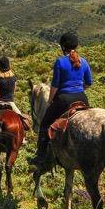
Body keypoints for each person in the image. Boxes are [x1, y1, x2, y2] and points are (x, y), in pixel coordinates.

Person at [28, 31, 93, 168]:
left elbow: (55, 85)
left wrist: (51, 100)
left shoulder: (60, 62)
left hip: (63, 99)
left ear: (63, 47)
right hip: (82, 98)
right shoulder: (84, 62)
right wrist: (79, 88)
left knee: (45, 123)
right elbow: (89, 83)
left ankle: (40, 155)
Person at [0, 56, 33, 132]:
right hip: (11, 103)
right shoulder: (14, 78)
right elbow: (13, 92)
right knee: (22, 122)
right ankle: (22, 138)